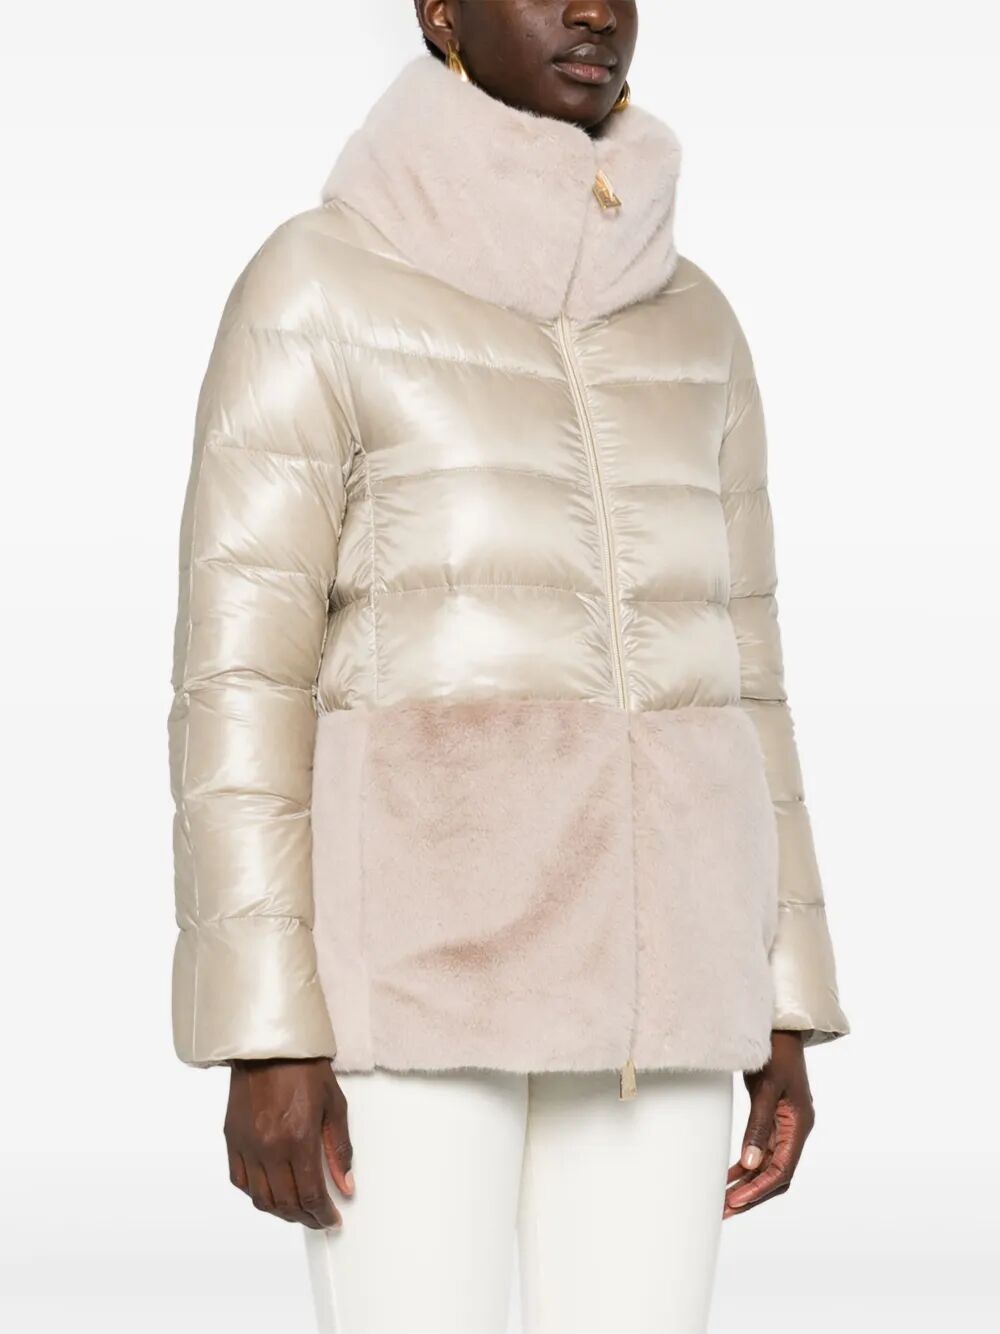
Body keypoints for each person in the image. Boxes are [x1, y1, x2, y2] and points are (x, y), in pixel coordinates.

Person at [167, 2, 850, 1330]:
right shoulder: (318, 287)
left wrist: (780, 996)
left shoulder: (696, 323)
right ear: (438, 9)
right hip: (408, 986)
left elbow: (747, 674)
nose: (595, 10)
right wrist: (265, 1028)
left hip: (667, 986)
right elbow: (238, 681)